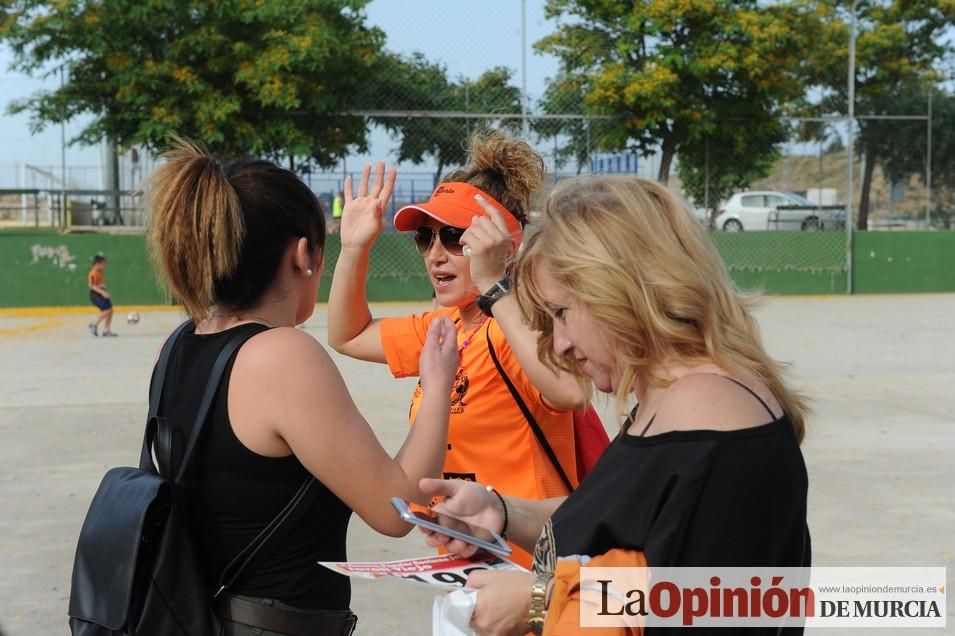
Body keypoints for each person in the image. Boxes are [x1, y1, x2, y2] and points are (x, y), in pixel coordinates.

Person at [418, 176, 811, 635]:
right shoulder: (680, 400)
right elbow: (630, 524)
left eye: (562, 313)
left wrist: (544, 600)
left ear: (623, 293)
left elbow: (716, 600)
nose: (560, 343)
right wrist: (502, 513)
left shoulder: (708, 422)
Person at [144, 138, 460, 635]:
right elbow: (399, 510)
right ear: (302, 256)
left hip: (199, 615)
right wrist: (439, 385)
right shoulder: (282, 355)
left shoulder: (179, 343)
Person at [328, 129, 585, 567]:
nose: (435, 254)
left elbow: (571, 391)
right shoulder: (443, 328)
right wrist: (354, 248)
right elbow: (347, 335)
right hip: (464, 564)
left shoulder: (518, 323)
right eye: (425, 238)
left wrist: (493, 285)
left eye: (454, 236)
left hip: (533, 570)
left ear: (503, 244)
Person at [87, 254, 117, 337]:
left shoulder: (99, 272)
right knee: (107, 310)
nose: (104, 266)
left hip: (101, 294)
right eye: (103, 264)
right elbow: (92, 286)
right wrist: (102, 292)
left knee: (110, 310)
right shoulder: (93, 273)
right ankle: (93, 324)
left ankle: (106, 331)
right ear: (97, 264)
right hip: (96, 295)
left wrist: (104, 292)